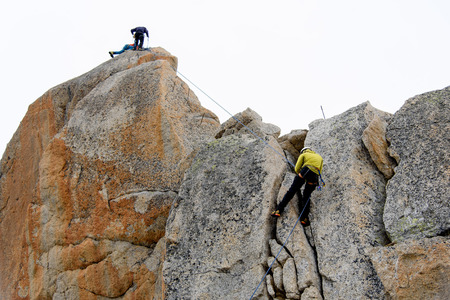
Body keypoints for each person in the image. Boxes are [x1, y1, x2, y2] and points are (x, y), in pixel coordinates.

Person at [271, 147, 323, 226]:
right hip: (315, 177)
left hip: (305, 171)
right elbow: (319, 170)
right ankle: (304, 218)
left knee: (292, 191)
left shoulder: (304, 155)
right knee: (306, 196)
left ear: (303, 151)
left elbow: (297, 168)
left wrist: (300, 174)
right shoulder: (319, 157)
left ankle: (278, 210)